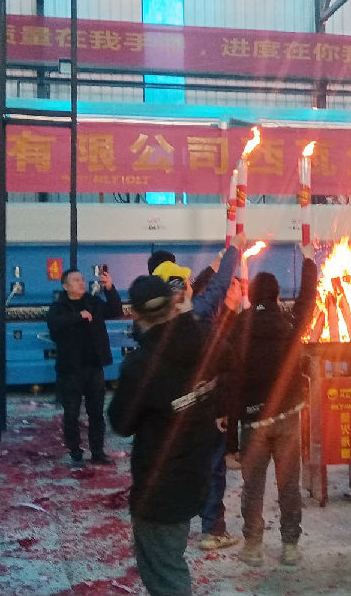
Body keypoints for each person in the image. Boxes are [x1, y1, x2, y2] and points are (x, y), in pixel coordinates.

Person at [107, 239, 240, 596]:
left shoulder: (141, 366)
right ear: (174, 302)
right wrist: (216, 405)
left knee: (164, 571)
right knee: (172, 556)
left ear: (136, 315)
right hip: (195, 472)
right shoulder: (204, 338)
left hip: (159, 488)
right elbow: (231, 366)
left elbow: (121, 423)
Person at [223, 243, 317, 567]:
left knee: (253, 486)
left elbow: (230, 380)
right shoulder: (289, 323)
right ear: (277, 295)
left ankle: (252, 546)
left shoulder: (238, 327)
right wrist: (308, 261)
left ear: (251, 294)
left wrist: (230, 439)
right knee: (289, 485)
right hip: (288, 417)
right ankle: (290, 546)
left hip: (253, 422)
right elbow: (308, 300)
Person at [46, 266, 123, 468]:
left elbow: (115, 311)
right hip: (70, 369)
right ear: (65, 286)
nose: (81, 283)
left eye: (81, 279)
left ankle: (98, 452)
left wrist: (110, 288)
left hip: (93, 366)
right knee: (71, 413)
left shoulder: (93, 302)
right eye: (76, 280)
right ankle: (75, 452)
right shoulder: (59, 307)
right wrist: (79, 316)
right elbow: (54, 323)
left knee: (96, 412)